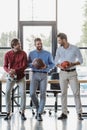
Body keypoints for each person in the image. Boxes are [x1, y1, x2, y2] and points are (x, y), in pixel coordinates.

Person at [55, 33, 83, 120]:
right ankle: (64, 113)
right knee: (63, 93)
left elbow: (81, 60)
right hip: (62, 73)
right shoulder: (59, 49)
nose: (58, 42)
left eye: (59, 40)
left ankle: (79, 113)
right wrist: (61, 66)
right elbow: (55, 61)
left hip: (72, 73)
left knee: (76, 93)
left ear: (64, 40)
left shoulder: (75, 48)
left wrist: (72, 64)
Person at [28, 38, 55, 121]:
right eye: (38, 44)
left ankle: (39, 113)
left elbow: (53, 64)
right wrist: (32, 64)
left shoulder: (47, 53)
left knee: (43, 93)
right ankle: (38, 108)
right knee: (32, 93)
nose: (39, 45)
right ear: (35, 45)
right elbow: (27, 63)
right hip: (35, 74)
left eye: (40, 43)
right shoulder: (31, 53)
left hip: (44, 74)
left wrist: (46, 66)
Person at [3, 38, 27, 120]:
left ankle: (22, 112)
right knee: (7, 92)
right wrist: (9, 71)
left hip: (21, 76)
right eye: (18, 44)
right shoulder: (7, 54)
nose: (20, 45)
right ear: (13, 45)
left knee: (23, 93)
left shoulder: (23, 53)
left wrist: (15, 70)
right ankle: (8, 112)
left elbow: (24, 66)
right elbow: (5, 66)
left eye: (19, 43)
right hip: (11, 76)